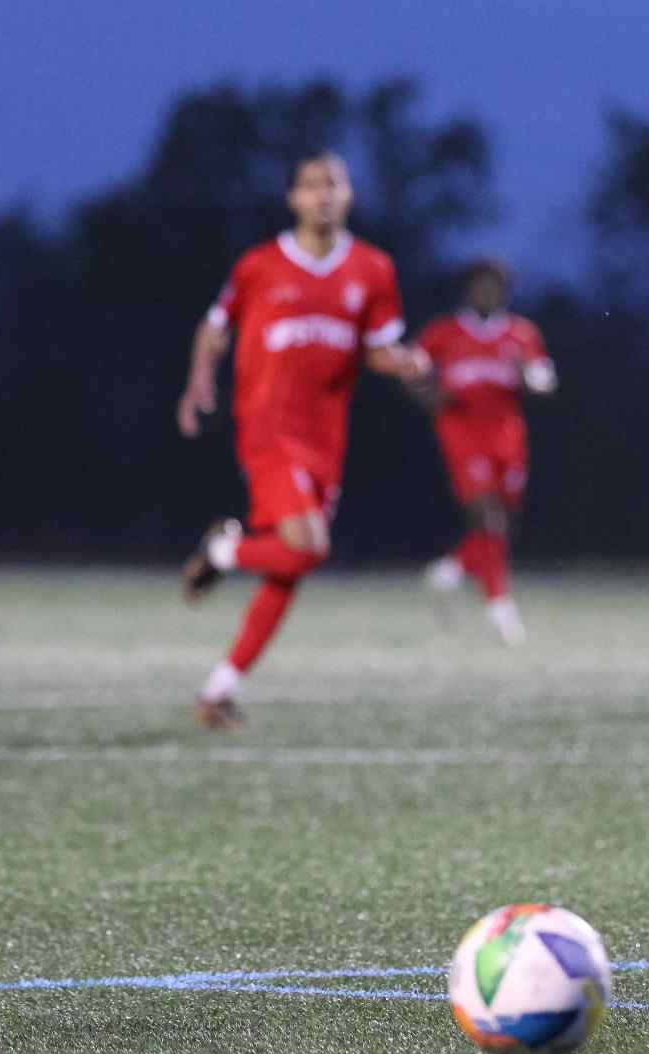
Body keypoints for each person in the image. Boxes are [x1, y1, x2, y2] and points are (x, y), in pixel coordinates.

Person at [176, 150, 430, 729]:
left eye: (333, 184)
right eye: (311, 186)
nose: (322, 195)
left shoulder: (372, 269)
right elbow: (215, 327)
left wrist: (407, 363)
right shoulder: (259, 265)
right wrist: (197, 381)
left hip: (325, 439)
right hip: (267, 427)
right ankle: (220, 551)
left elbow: (377, 348)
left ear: (349, 196)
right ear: (292, 198)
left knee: (291, 565)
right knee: (308, 544)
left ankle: (217, 691)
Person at [414, 260, 557, 646]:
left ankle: (452, 568)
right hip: (462, 435)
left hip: (507, 437)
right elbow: (412, 373)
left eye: (494, 287)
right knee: (488, 517)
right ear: (468, 290)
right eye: (480, 286)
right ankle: (500, 605)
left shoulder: (520, 334)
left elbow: (545, 381)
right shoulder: (443, 334)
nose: (486, 293)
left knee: (504, 522)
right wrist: (430, 395)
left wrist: (529, 378)